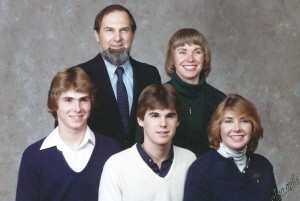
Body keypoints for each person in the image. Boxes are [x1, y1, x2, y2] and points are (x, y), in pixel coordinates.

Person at [16, 67, 121, 201]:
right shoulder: (34, 156)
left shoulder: (111, 150)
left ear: (91, 102)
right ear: (55, 103)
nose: (77, 109)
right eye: (68, 100)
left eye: (83, 100)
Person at [77, 4, 161, 149]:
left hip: (141, 164)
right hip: (96, 165)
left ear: (132, 35)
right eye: (109, 30)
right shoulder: (79, 75)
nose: (118, 38)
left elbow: (158, 122)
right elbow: (65, 130)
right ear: (97, 35)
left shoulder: (149, 74)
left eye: (124, 30)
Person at [98, 84, 196, 201]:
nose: (163, 123)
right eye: (155, 115)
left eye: (170, 116)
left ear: (178, 121)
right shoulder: (116, 166)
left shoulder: (189, 160)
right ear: (140, 120)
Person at [183, 93, 279, 201]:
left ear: (253, 127)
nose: (237, 128)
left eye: (244, 121)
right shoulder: (200, 170)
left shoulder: (263, 166)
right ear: (218, 127)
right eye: (229, 121)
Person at [165, 28, 226, 157]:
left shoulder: (219, 100)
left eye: (197, 52)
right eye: (182, 52)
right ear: (172, 58)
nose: (190, 59)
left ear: (205, 57)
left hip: (208, 174)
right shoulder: (158, 97)